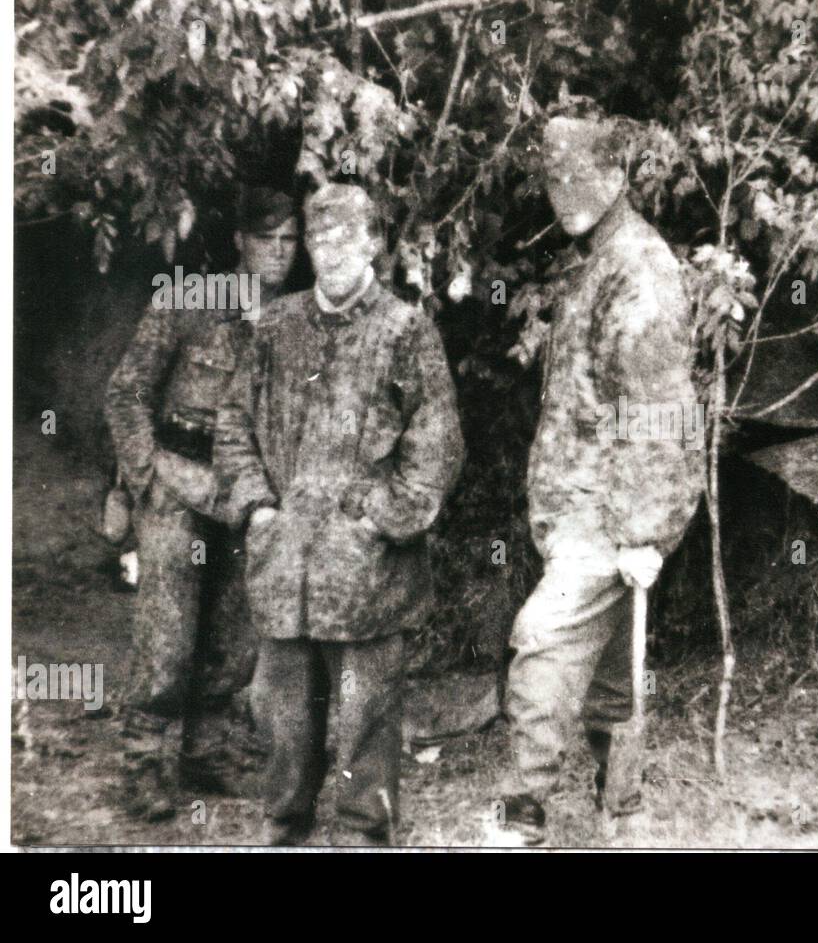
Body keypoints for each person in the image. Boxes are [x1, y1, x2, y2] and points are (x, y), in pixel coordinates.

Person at [216, 183, 464, 846]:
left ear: (373, 245)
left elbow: (436, 443)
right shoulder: (274, 325)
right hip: (286, 564)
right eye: (319, 238)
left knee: (366, 716)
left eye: (345, 238)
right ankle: (283, 824)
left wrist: (381, 519)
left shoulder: (406, 329)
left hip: (367, 573)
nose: (329, 251)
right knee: (281, 712)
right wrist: (258, 509)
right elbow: (233, 421)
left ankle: (363, 834)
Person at [496, 115, 703, 845]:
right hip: (585, 506)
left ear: (618, 176)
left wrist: (644, 531)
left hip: (611, 508)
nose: (565, 193)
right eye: (555, 179)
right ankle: (625, 807)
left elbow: (659, 412)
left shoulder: (637, 266)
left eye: (580, 176)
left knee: (542, 638)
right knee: (612, 675)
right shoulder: (598, 257)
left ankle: (522, 811)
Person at [105, 187, 298, 819]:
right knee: (169, 634)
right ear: (240, 240)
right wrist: (144, 478)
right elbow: (127, 392)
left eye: (291, 240)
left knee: (236, 635)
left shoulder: (295, 318)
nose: (280, 251)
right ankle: (140, 760)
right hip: (178, 481)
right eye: (267, 238)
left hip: (244, 491)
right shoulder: (193, 297)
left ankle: (207, 749)